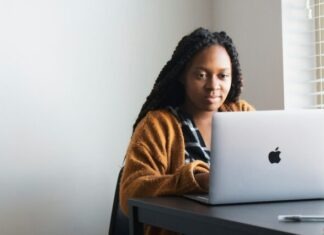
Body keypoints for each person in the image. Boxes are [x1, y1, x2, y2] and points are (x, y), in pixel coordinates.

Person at [119, 27, 255, 235]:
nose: (213, 86)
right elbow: (131, 191)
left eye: (223, 76)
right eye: (201, 75)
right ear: (183, 75)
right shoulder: (158, 125)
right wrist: (194, 181)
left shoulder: (242, 114)